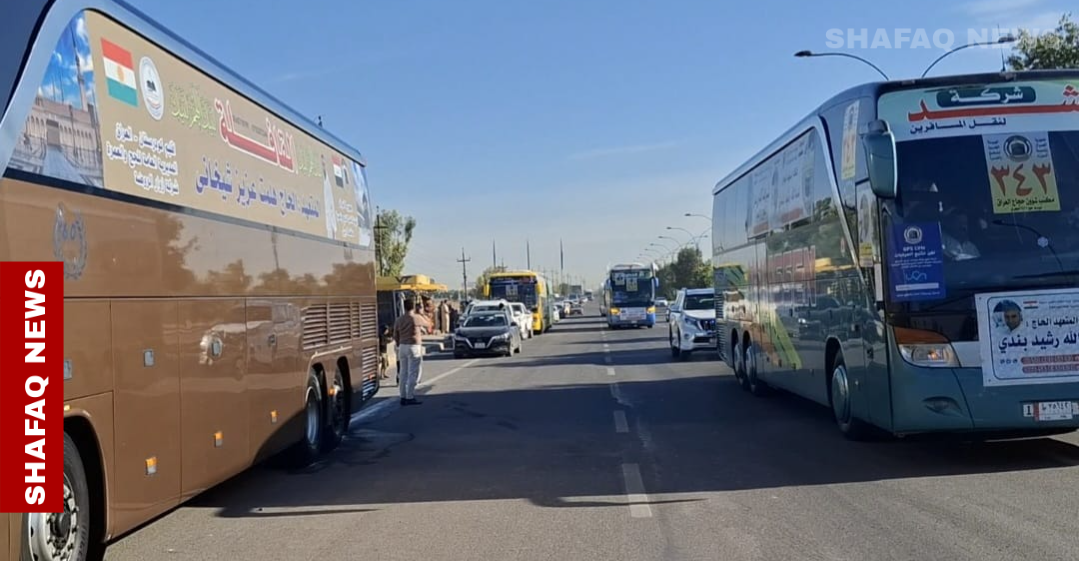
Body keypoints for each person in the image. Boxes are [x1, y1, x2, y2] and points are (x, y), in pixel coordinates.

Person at [393, 298, 430, 405]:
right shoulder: (416, 318)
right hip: (414, 346)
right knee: (413, 372)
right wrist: (422, 313)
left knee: (402, 372)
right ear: (413, 307)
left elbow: (395, 334)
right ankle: (410, 396)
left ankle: (403, 396)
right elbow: (429, 324)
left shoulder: (399, 319)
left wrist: (398, 343)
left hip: (402, 346)